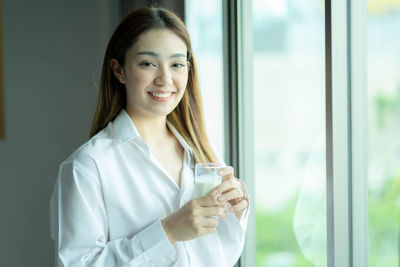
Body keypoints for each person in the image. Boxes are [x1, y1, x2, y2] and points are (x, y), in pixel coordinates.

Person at [50, 7, 249, 267]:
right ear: (119, 70)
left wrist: (236, 210)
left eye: (177, 64)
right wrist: (168, 232)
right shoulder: (87, 167)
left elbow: (216, 256)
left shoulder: (201, 155)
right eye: (148, 63)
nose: (165, 79)